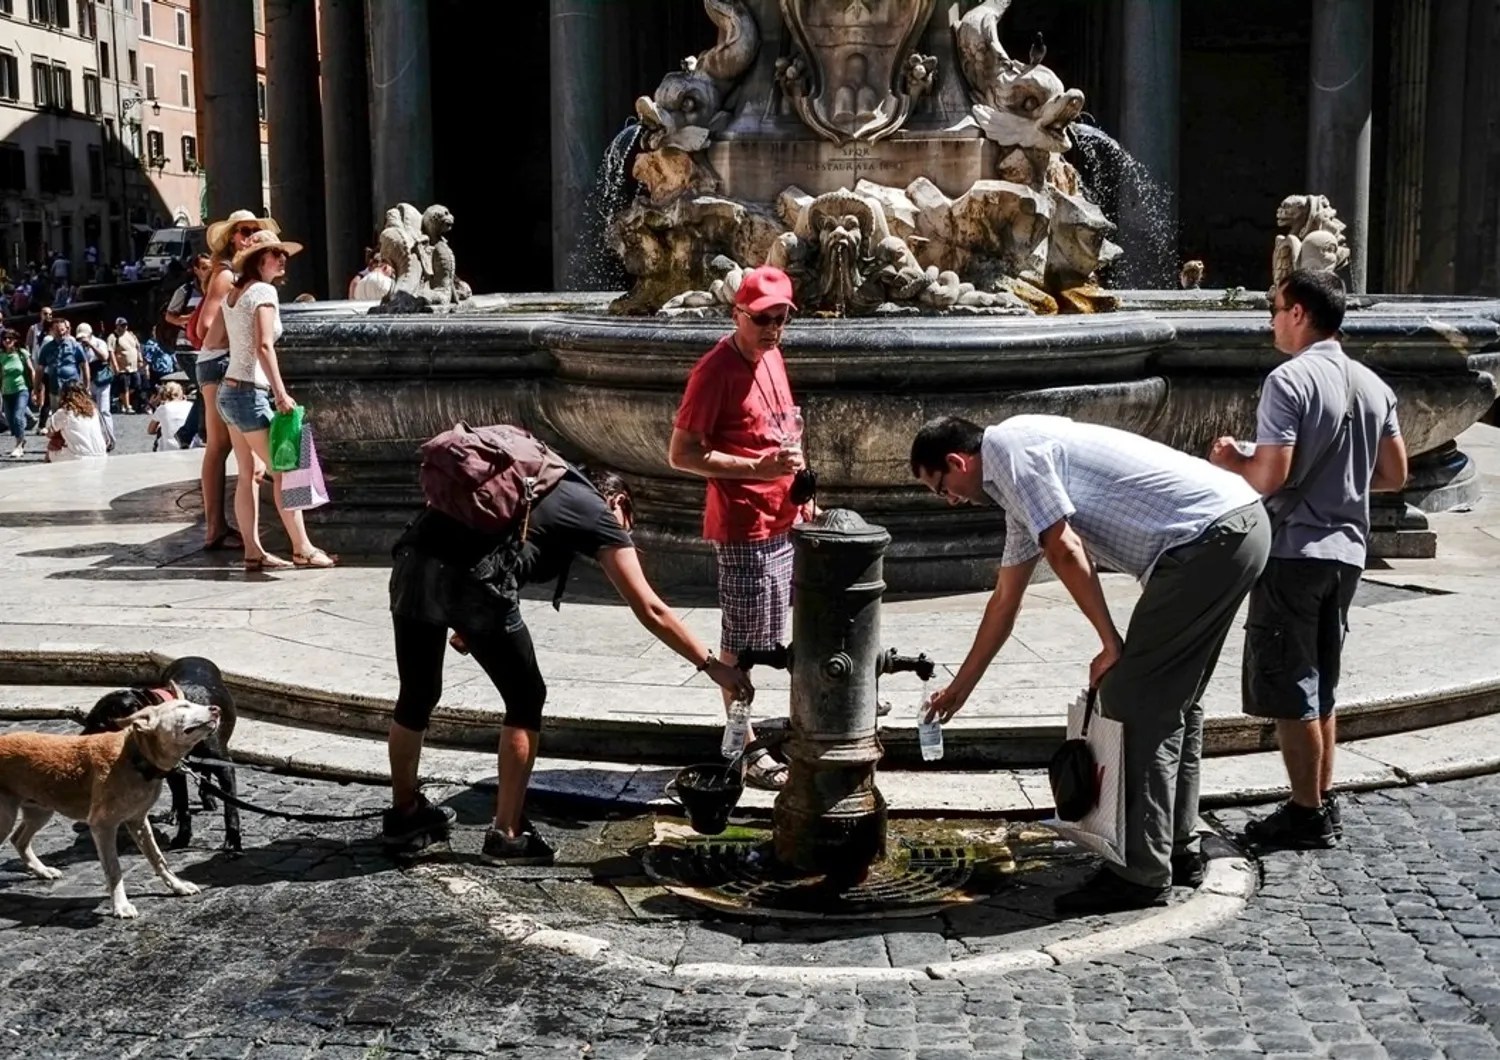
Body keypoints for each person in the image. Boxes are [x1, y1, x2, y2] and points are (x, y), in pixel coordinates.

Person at [910, 414, 1270, 914]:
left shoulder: (1011, 451)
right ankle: (1177, 848)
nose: (948, 499)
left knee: (1133, 701)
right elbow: (1004, 601)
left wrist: (1110, 642)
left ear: (956, 461)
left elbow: (1064, 547)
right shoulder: (1016, 483)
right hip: (1235, 525)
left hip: (1208, 539)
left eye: (940, 487)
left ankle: (1140, 876)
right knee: (1172, 703)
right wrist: (960, 689)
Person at [382, 464, 756, 864]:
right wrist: (712, 665)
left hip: (413, 558)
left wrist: (466, 618)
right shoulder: (596, 510)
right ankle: (507, 835)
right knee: (526, 698)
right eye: (626, 526)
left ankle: (406, 814)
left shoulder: (541, 489)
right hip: (469, 582)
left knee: (418, 693)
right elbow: (651, 608)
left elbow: (503, 552)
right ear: (619, 503)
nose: (622, 536)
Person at [1210, 269, 1408, 849]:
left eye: (1276, 308)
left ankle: (1304, 811)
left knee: (1292, 685)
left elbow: (1273, 474)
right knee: (1322, 681)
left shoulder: (1288, 381)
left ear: (1298, 313)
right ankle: (1321, 799)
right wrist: (1342, 488)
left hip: (1293, 551)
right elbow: (1395, 475)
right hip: (1347, 554)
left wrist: (1231, 460)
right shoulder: (1374, 385)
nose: (1272, 319)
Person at [667, 265, 807, 790]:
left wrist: (802, 491)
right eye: (763, 319)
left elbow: (787, 429)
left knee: (773, 633)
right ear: (737, 315)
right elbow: (682, 454)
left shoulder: (772, 355)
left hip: (783, 515)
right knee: (742, 643)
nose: (773, 329)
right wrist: (755, 470)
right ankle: (742, 746)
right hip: (743, 524)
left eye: (782, 319)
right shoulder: (713, 370)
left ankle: (754, 732)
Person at [217, 227, 336, 571]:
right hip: (249, 393)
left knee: (247, 474)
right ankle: (302, 548)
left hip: (229, 391)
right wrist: (281, 394)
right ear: (259, 259)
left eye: (283, 253)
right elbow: (264, 345)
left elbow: (232, 341)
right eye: (275, 253)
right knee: (287, 471)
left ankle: (253, 551)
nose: (283, 258)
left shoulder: (234, 294)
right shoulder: (264, 292)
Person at [196, 210, 278, 552]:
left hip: (222, 367)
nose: (250, 235)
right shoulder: (228, 276)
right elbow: (206, 328)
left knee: (239, 458)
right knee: (230, 453)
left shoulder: (238, 277)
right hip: (221, 365)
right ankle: (219, 528)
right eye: (245, 230)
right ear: (232, 236)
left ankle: (236, 536)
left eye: (255, 231)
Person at [37, 318, 89, 425]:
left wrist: (87, 384)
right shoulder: (46, 348)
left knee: (75, 416)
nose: (60, 332)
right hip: (55, 388)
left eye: (62, 329)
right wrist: (36, 386)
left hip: (73, 389)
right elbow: (40, 368)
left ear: (66, 330)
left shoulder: (75, 346)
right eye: (57, 330)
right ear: (52, 330)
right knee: (58, 419)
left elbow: (84, 365)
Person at [74, 322, 115, 451]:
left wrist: (91, 345)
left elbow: (104, 357)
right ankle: (96, 439)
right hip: (87, 381)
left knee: (104, 410)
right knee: (90, 412)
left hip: (101, 380)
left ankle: (110, 438)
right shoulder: (78, 347)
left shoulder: (99, 343)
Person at [44, 381, 107, 462]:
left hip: (80, 457)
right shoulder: (93, 410)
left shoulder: (65, 412)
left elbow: (50, 433)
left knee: (52, 449)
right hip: (101, 454)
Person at [2, 328, 34, 458]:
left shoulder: (22, 353)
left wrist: (36, 389)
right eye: (5, 338)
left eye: (10, 338)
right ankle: (21, 438)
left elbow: (32, 370)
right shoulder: (1, 355)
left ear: (15, 340)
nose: (7, 341)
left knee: (18, 417)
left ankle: (19, 445)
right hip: (6, 391)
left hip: (21, 389)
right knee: (10, 421)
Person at [108, 317, 142, 413]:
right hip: (122, 367)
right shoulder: (113, 337)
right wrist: (115, 366)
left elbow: (137, 347)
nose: (124, 327)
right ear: (117, 325)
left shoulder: (131, 335)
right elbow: (111, 352)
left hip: (134, 367)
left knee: (137, 385)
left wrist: (140, 359)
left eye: (125, 325)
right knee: (124, 387)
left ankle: (120, 399)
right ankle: (127, 407)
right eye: (122, 325)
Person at [147, 381, 194, 451]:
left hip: (168, 448)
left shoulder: (163, 408)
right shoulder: (191, 405)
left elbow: (150, 430)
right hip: (189, 446)